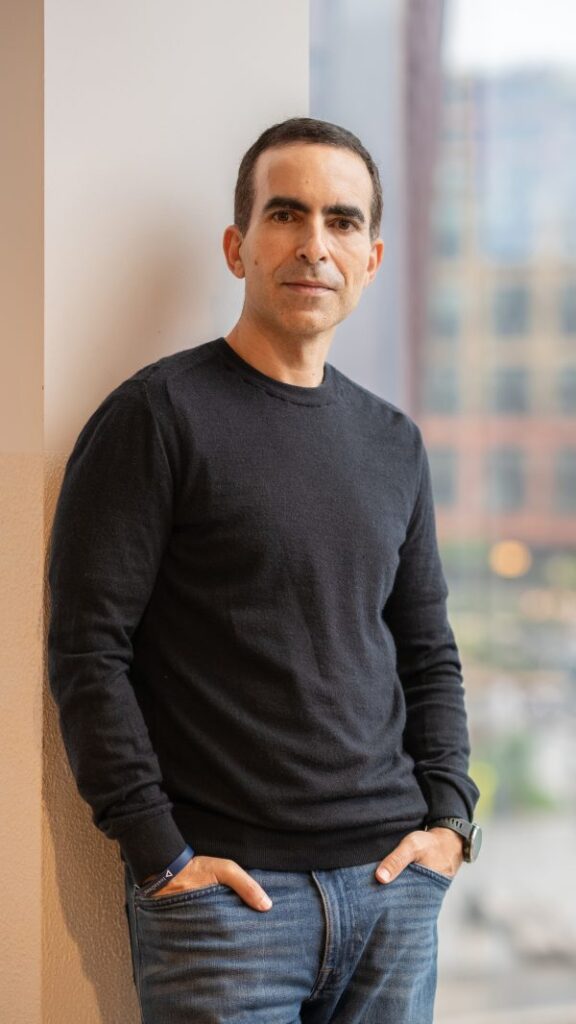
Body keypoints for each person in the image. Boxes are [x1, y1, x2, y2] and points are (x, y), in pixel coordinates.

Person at [48, 116, 481, 1024]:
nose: (314, 244)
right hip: (228, 911)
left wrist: (450, 821)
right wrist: (159, 853)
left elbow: (427, 651)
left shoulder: (393, 443)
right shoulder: (157, 418)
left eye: (342, 221)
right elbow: (90, 653)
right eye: (286, 215)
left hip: (393, 892)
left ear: (372, 256)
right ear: (238, 245)